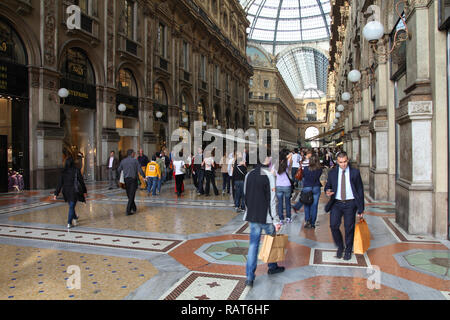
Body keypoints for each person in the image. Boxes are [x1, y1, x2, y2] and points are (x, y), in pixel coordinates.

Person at [244, 154, 284, 288]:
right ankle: (272, 266)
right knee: (271, 240)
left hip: (253, 216)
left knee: (252, 245)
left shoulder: (248, 175)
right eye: (268, 157)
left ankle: (249, 278)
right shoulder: (268, 175)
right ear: (265, 160)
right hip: (266, 217)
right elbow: (273, 200)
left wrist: (249, 212)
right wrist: (276, 220)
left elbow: (246, 195)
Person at [324, 151, 365, 261]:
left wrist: (361, 208)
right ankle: (340, 246)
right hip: (336, 203)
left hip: (350, 204)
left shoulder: (355, 172)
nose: (343, 164)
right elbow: (328, 186)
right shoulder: (332, 173)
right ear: (337, 162)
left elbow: (360, 190)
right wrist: (327, 191)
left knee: (349, 228)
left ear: (348, 160)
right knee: (333, 226)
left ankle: (348, 250)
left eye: (345, 161)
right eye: (341, 162)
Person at [54, 156, 87, 228]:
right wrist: (84, 191)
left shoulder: (63, 171)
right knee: (72, 206)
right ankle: (69, 222)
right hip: (74, 191)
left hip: (66, 192)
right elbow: (81, 181)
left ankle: (74, 217)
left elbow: (59, 183)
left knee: (71, 205)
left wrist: (56, 193)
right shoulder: (76, 170)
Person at [117, 149, 145, 215]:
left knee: (129, 195)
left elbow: (118, 170)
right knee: (131, 195)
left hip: (126, 180)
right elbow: (140, 169)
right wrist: (144, 176)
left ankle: (134, 208)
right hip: (133, 180)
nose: (135, 154)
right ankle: (128, 210)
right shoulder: (135, 161)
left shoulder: (123, 161)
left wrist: (118, 178)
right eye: (134, 153)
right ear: (132, 154)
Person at [298, 154, 323, 229]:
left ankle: (307, 220)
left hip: (307, 187)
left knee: (307, 205)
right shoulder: (320, 169)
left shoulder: (306, 169)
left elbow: (304, 177)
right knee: (314, 206)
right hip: (316, 187)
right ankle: (313, 223)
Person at [276, 150, 293, 224]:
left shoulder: (275, 164)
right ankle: (288, 218)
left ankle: (281, 219)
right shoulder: (287, 163)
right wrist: (286, 157)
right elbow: (290, 155)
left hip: (278, 185)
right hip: (287, 185)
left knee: (279, 203)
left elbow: (273, 173)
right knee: (287, 202)